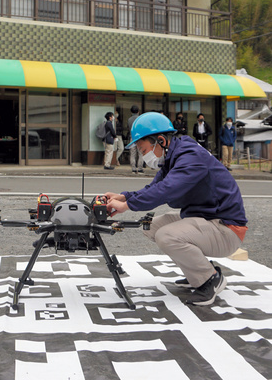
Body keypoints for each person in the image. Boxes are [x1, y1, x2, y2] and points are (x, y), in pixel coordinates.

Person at [104, 112, 247, 306]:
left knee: (167, 236)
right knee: (151, 226)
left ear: (160, 141)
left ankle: (209, 279)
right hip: (208, 220)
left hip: (226, 228)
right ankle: (196, 271)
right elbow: (154, 188)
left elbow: (165, 190)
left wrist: (126, 206)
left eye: (143, 149)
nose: (144, 155)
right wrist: (125, 196)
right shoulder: (174, 155)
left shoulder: (189, 157)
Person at [127, 105, 144, 174]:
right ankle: (140, 168)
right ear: (138, 111)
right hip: (140, 137)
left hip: (132, 137)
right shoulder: (141, 119)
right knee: (141, 153)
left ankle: (133, 168)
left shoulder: (129, 119)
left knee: (133, 153)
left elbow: (128, 128)